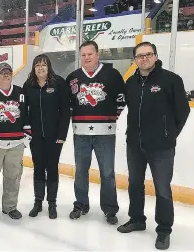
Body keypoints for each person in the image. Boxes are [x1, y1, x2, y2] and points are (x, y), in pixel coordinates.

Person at [117, 42, 190, 250]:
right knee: (135, 185)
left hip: (161, 148)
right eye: (140, 56)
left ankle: (164, 230)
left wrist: (169, 135)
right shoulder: (130, 83)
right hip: (135, 145)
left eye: (148, 54)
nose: (144, 58)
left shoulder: (171, 80)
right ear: (135, 60)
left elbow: (183, 111)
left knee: (162, 189)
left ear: (156, 56)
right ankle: (137, 219)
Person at [65, 40, 126, 225]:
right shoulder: (73, 78)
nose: (87, 57)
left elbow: (121, 99)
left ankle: (109, 208)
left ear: (97, 54)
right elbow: (67, 105)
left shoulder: (112, 74)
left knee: (107, 172)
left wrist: (108, 119)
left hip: (105, 134)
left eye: (90, 54)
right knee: (80, 171)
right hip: (81, 133)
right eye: (83, 55)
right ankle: (81, 204)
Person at [0, 62, 31, 221]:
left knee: (13, 177)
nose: (6, 75)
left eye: (8, 72)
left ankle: (10, 207)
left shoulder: (21, 93)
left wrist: (27, 135)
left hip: (16, 144)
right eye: (2, 73)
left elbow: (27, 115)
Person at [23, 54, 70, 219]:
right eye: (37, 65)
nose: (40, 68)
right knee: (38, 167)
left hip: (54, 136)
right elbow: (23, 111)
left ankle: (52, 203)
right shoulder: (28, 86)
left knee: (52, 168)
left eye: (43, 65)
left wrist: (62, 134)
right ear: (33, 68)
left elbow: (65, 111)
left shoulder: (58, 83)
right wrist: (27, 133)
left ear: (49, 66)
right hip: (35, 137)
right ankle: (38, 202)